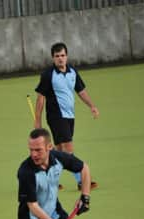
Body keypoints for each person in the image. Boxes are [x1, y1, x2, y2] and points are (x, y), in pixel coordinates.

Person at [33, 42, 100, 190]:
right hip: (56, 116)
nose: (60, 59)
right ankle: (81, 180)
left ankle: (48, 180)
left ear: (67, 56)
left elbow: (81, 91)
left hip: (70, 116)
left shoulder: (72, 72)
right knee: (68, 148)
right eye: (57, 56)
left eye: (62, 55)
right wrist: (37, 121)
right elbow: (40, 98)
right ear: (53, 58)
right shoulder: (48, 75)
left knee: (59, 151)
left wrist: (92, 106)